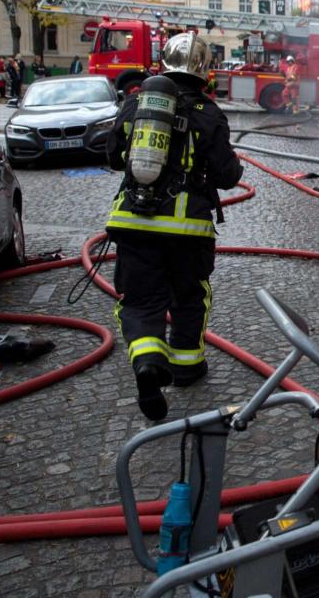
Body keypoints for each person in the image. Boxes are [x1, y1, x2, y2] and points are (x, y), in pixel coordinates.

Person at [104, 32, 243, 421]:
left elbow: (115, 156)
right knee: (189, 295)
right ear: (203, 70)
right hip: (187, 230)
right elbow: (227, 174)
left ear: (163, 62)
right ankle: (186, 366)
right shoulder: (209, 112)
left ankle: (148, 361)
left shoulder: (136, 104)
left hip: (133, 222)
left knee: (140, 301)